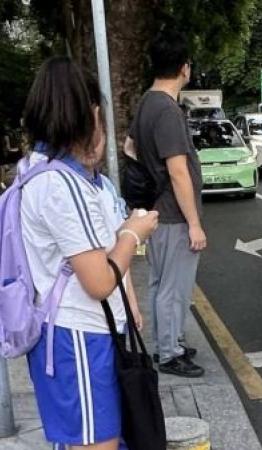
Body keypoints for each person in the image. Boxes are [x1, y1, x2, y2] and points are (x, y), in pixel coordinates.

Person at [21, 57, 159, 450]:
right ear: (88, 114)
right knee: (96, 444)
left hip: (83, 334)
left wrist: (129, 302)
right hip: (77, 337)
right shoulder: (60, 185)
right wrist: (134, 233)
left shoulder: (56, 174)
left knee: (99, 440)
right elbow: (98, 280)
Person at [125, 29, 205, 377]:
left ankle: (166, 342)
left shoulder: (146, 102)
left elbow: (129, 148)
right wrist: (195, 224)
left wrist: (149, 174)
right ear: (185, 68)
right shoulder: (168, 110)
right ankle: (170, 354)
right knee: (174, 288)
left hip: (157, 209)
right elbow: (178, 172)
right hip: (174, 213)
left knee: (160, 284)